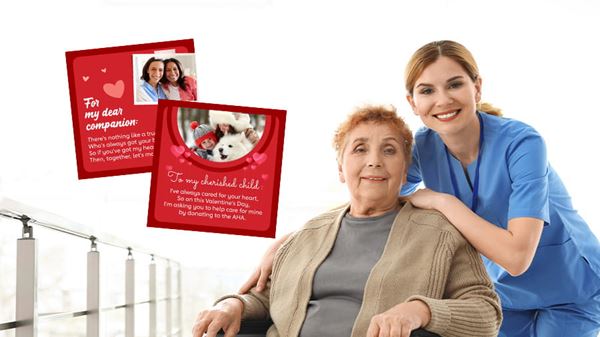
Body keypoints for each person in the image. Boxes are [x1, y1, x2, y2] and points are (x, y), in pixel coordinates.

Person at [241, 41, 600, 337]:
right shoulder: (423, 148)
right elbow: (370, 198)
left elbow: (517, 257)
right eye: (427, 90)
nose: (443, 100)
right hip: (503, 296)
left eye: (455, 84)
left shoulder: (523, 143)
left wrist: (442, 201)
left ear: (477, 87)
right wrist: (292, 241)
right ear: (413, 102)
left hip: (572, 289)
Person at [192, 105, 502, 337]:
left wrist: (420, 311)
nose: (374, 160)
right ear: (341, 169)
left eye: (389, 150)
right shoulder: (310, 233)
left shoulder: (439, 232)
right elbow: (270, 296)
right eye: (360, 149)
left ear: (406, 170)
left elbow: (486, 312)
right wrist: (233, 305)